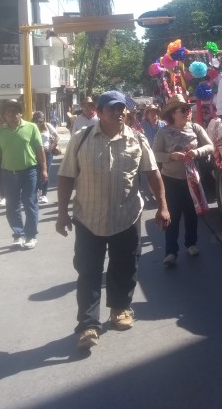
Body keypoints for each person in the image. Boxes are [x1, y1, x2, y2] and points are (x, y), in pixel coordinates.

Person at [56, 90, 170, 350]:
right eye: (112, 109)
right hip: (88, 217)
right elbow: (66, 176)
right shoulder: (81, 139)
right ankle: (87, 325)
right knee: (89, 271)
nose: (118, 113)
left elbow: (153, 175)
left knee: (125, 267)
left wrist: (163, 206)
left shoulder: (137, 139)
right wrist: (62, 213)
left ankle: (119, 308)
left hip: (126, 217)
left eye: (122, 109)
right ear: (100, 111)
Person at [152, 94, 214, 266]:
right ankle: (171, 251)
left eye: (188, 109)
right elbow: (154, 154)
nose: (188, 112)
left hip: (191, 179)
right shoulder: (163, 132)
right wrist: (171, 156)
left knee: (191, 213)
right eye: (183, 110)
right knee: (172, 216)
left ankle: (191, 244)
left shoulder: (195, 128)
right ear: (172, 113)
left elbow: (210, 146)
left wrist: (197, 152)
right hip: (170, 179)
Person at [0, 98, 47, 249]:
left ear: (20, 114)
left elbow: (40, 149)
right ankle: (19, 234)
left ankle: (31, 235)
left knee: (29, 201)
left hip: (30, 171)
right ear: (4, 115)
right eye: (8, 112)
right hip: (8, 173)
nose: (12, 114)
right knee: (12, 205)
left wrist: (44, 169)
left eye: (15, 111)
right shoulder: (0, 132)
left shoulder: (31, 128)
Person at [32, 110, 59, 204]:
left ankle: (44, 194)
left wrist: (51, 147)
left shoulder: (48, 126)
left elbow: (57, 137)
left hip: (47, 153)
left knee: (45, 173)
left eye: (40, 120)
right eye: (36, 120)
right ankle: (38, 190)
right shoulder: (31, 127)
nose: (38, 122)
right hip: (35, 153)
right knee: (36, 172)